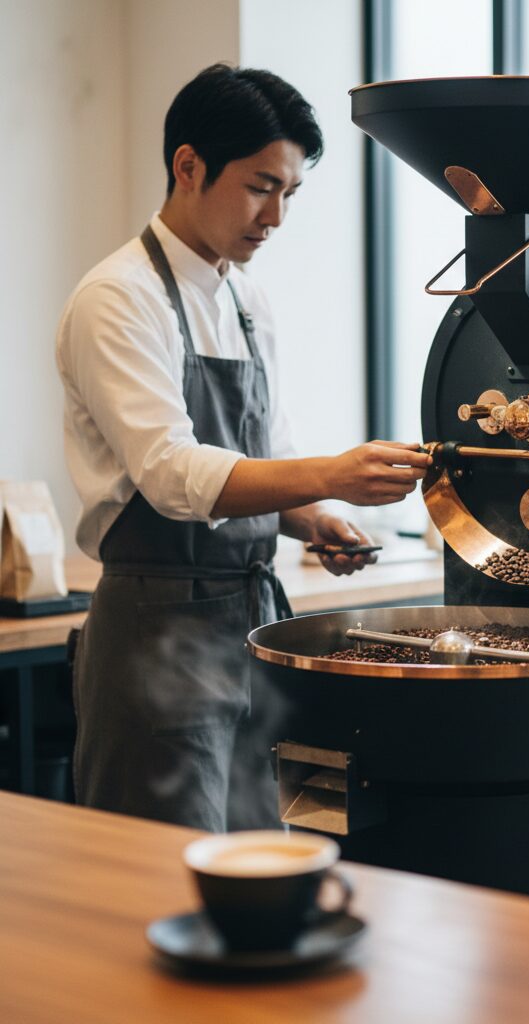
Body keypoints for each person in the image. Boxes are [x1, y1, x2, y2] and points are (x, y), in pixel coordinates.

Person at [56, 64, 430, 831]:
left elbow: (265, 450)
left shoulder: (244, 297)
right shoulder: (117, 298)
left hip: (248, 631)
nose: (277, 216)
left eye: (290, 193)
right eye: (262, 186)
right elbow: (171, 475)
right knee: (153, 888)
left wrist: (315, 517)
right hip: (154, 636)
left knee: (256, 870)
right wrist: (331, 472)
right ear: (188, 166)